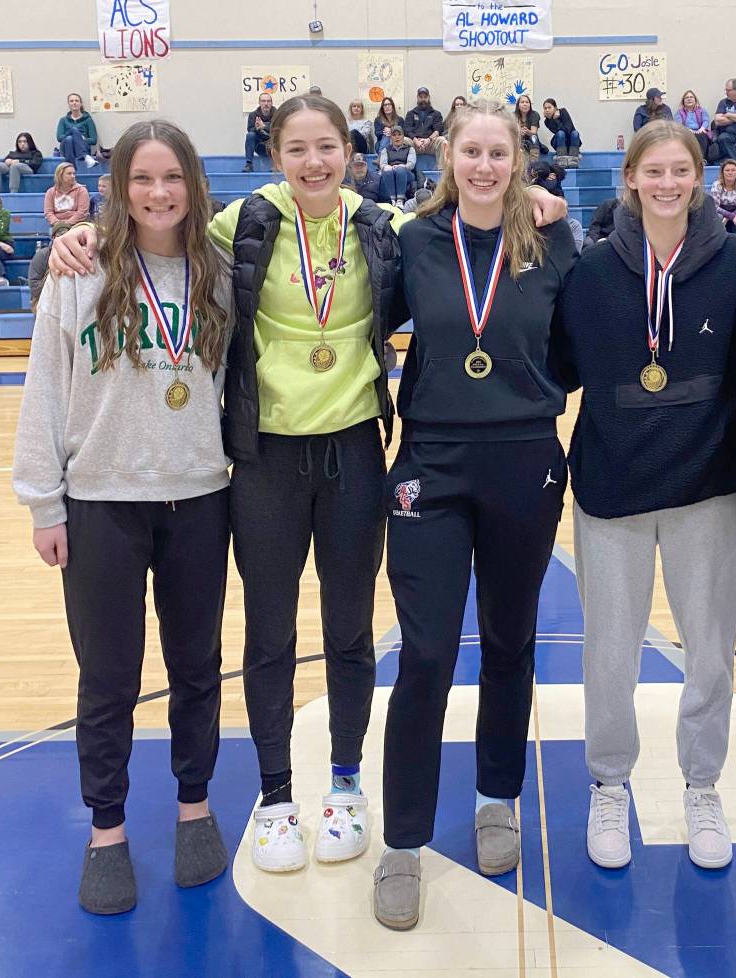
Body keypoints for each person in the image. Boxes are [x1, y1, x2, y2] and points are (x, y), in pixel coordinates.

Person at [47, 100, 567, 884]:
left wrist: (532, 196)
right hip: (265, 456)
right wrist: (84, 233)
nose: (314, 161)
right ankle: (277, 796)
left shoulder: (382, 227)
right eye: (297, 148)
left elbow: (470, 224)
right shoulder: (241, 225)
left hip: (354, 449)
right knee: (269, 635)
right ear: (275, 154)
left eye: (327, 146)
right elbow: (160, 230)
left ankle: (346, 788)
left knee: (350, 631)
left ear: (350, 152)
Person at [13, 118, 234, 916]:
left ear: (192, 184)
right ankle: (106, 828)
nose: (158, 192)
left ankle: (194, 807)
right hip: (101, 500)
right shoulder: (80, 270)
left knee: (197, 667)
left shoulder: (218, 275)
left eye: (171, 177)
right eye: (142, 178)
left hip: (199, 497)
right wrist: (44, 501)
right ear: (118, 186)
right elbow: (45, 387)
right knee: (107, 678)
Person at [372, 100, 574, 932]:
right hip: (433, 463)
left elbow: (575, 346)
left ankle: (497, 797)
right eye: (472, 152)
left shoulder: (553, 242)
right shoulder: (415, 242)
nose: (485, 166)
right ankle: (402, 842)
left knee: (509, 642)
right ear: (447, 157)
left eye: (499, 153)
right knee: (424, 656)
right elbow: (358, 321)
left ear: (518, 159)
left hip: (525, 460)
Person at [556, 119, 736, 875]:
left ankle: (703, 786)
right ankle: (610, 784)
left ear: (698, 179)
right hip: (612, 486)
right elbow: (559, 366)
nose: (667, 183)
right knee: (610, 652)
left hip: (708, 486)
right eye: (654, 171)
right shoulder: (592, 270)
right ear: (630, 179)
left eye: (680, 170)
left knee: (710, 651)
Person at [29, 222, 72, 308]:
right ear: (53, 238)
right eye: (60, 236)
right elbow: (34, 285)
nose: (63, 239)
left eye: (67, 236)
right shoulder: (42, 255)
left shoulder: (76, 256)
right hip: (43, 298)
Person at [403, 86, 443, 169]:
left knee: (442, 140)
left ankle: (441, 169)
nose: (423, 99)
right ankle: (406, 169)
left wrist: (429, 139)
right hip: (415, 144)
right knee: (404, 140)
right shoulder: (411, 113)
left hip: (430, 144)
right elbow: (407, 130)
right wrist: (416, 140)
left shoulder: (436, 114)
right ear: (417, 98)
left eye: (425, 97)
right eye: (421, 97)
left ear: (429, 98)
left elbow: (438, 130)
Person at [710, 159, 736, 239]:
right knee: (718, 218)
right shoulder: (716, 185)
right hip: (721, 213)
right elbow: (715, 207)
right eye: (727, 170)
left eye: (733, 170)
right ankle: (716, 244)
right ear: (722, 172)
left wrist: (731, 216)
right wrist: (730, 216)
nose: (730, 173)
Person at [56, 93, 98, 168]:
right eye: (71, 101)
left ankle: (71, 168)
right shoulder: (63, 120)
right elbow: (59, 137)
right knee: (71, 134)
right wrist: (74, 134)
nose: (74, 103)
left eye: (76, 101)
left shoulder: (88, 120)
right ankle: (85, 156)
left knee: (69, 139)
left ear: (81, 103)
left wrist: (82, 139)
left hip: (83, 146)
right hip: (65, 148)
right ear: (68, 104)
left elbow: (94, 140)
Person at [378, 126, 416, 205]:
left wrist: (403, 166)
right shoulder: (385, 150)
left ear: (403, 136)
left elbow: (411, 164)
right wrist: (387, 167)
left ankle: (400, 200)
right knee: (387, 171)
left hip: (406, 173)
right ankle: (392, 199)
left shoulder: (410, 149)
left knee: (400, 170)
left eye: (399, 134)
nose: (397, 137)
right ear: (391, 137)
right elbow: (382, 164)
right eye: (394, 135)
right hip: (391, 172)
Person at [44, 163, 90, 227]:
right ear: (60, 175)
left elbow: (82, 212)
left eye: (74, 174)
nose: (73, 176)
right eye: (69, 174)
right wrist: (57, 223)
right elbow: (48, 212)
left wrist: (67, 223)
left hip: (77, 224)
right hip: (57, 225)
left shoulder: (81, 190)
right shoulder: (50, 192)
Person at [674, 90, 713, 159]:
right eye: (687, 97)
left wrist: (702, 128)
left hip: (700, 131)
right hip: (686, 132)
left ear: (695, 100)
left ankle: (701, 159)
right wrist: (688, 130)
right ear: (683, 101)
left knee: (702, 136)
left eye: (691, 97)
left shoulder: (702, 110)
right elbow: (679, 124)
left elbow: (706, 121)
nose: (689, 99)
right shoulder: (679, 112)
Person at [243, 92, 275, 172]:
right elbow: (250, 130)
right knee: (250, 135)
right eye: (263, 101)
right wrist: (257, 128)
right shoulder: (253, 115)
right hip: (260, 147)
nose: (266, 104)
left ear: (271, 103)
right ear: (259, 103)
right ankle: (249, 164)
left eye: (268, 101)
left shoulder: (277, 114)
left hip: (273, 147)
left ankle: (277, 165)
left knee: (280, 137)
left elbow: (279, 129)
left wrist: (264, 126)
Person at [513, 94, 541, 160]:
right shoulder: (513, 115)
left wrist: (527, 131)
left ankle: (534, 161)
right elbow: (512, 132)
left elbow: (534, 132)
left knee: (533, 137)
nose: (525, 104)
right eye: (522, 102)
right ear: (518, 105)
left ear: (530, 105)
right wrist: (520, 132)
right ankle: (517, 160)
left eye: (527, 102)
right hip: (519, 140)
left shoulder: (535, 114)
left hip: (531, 140)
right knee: (514, 138)